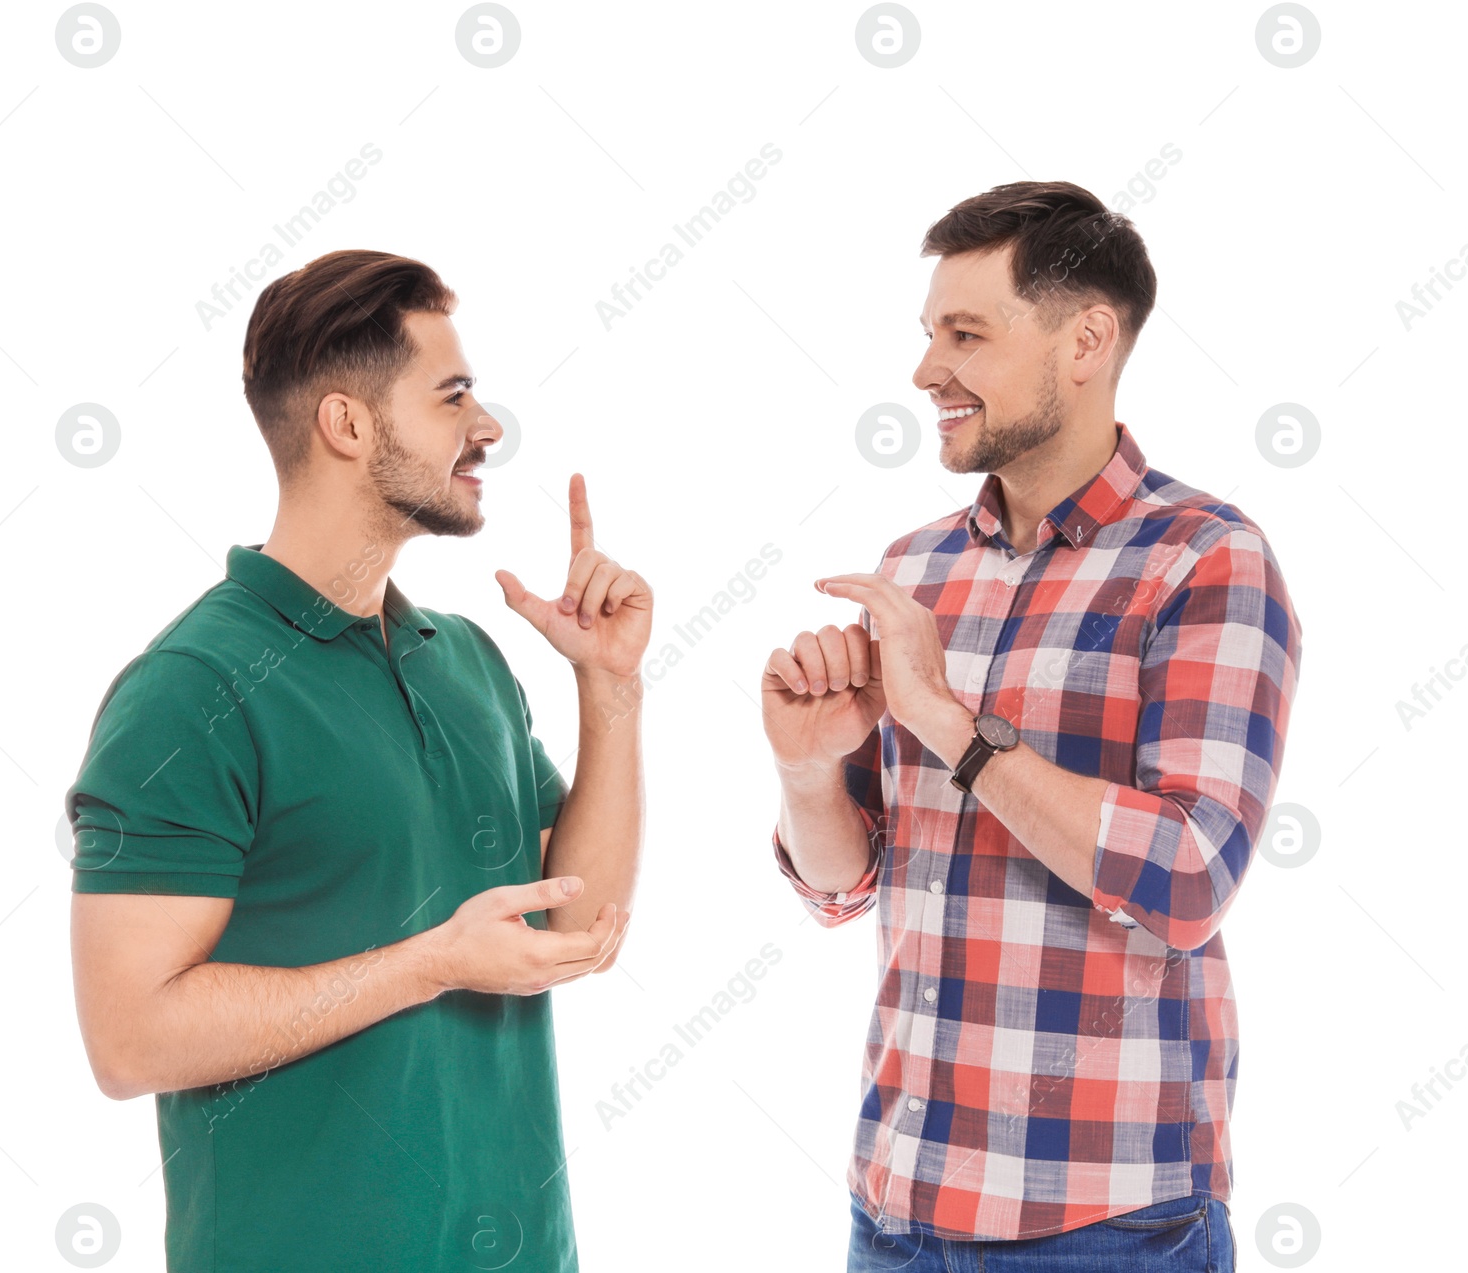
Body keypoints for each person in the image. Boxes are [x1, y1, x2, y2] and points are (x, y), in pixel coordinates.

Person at [64, 249, 648, 1272]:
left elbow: (573, 922)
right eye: (453, 394)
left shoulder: (464, 659)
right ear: (347, 425)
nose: (488, 426)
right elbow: (130, 1039)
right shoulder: (189, 690)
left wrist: (609, 690)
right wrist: (431, 963)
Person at [761, 182, 1301, 1271]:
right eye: (927, 336)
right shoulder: (917, 568)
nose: (925, 372)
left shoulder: (1204, 560)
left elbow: (1188, 877)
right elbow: (844, 885)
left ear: (1086, 340)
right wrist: (809, 770)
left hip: (1107, 1223)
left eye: (966, 335)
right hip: (898, 1205)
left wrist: (956, 729)